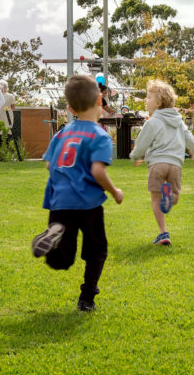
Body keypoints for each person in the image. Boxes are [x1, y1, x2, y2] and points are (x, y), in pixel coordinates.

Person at [31, 75, 124, 312]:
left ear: (70, 108)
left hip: (60, 202)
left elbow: (50, 166)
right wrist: (114, 191)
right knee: (96, 252)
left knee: (63, 259)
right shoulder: (99, 135)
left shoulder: (61, 134)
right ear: (100, 99)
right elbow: (97, 171)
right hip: (88, 203)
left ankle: (52, 243)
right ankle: (86, 299)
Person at [129, 79, 194, 246]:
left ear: (158, 102)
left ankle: (163, 233)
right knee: (174, 196)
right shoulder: (179, 122)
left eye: (148, 97)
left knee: (156, 198)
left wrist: (135, 156)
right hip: (176, 165)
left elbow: (142, 142)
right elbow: (189, 138)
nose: (145, 101)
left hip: (157, 164)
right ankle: (170, 196)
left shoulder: (153, 121)